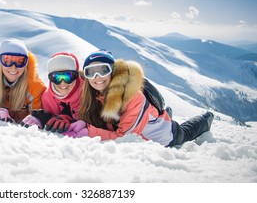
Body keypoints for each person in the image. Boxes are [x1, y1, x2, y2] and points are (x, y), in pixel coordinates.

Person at [65, 49, 214, 147]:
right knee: (151, 116)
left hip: (163, 136)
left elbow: (124, 138)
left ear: (114, 72)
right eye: (91, 72)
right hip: (143, 120)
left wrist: (87, 131)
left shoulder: (133, 97)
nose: (97, 77)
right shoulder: (96, 94)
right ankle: (160, 115)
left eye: (103, 70)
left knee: (183, 133)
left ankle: (206, 119)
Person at [20, 52, 84, 133]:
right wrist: (41, 120)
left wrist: (75, 121)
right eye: (57, 77)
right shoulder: (47, 98)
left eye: (68, 76)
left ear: (76, 76)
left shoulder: (86, 93)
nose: (63, 82)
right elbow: (51, 122)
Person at [0, 38, 46, 123]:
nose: (13, 67)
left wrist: (34, 119)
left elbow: (37, 113)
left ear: (26, 64)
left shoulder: (35, 87)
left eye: (20, 62)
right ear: (0, 61)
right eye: (7, 61)